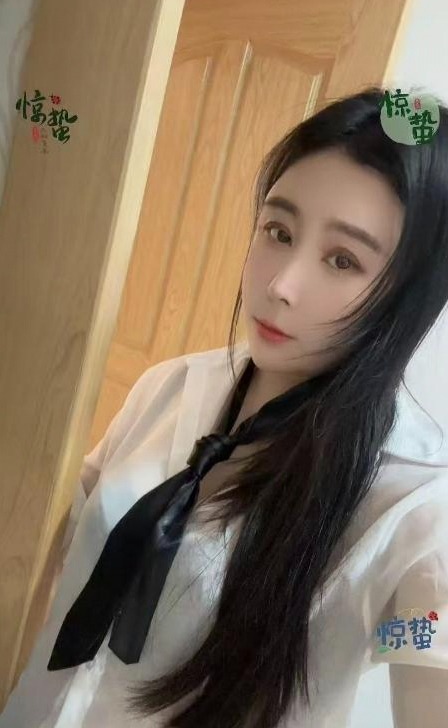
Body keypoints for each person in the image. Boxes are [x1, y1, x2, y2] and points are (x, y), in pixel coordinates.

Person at [1, 85, 448, 728]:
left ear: (408, 294)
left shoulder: (414, 504)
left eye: (342, 260)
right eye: (279, 231)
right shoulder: (172, 385)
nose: (281, 284)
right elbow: (60, 533)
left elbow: (428, 659)